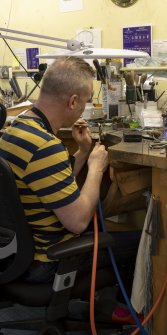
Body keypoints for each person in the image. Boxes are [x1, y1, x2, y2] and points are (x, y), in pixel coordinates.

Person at [0, 57, 140, 303]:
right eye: (84, 103)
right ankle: (125, 315)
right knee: (140, 241)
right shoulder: (46, 146)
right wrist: (96, 168)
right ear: (73, 101)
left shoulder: (18, 127)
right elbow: (77, 221)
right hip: (46, 263)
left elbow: (48, 186)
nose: (82, 109)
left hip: (13, 255)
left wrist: (83, 153)